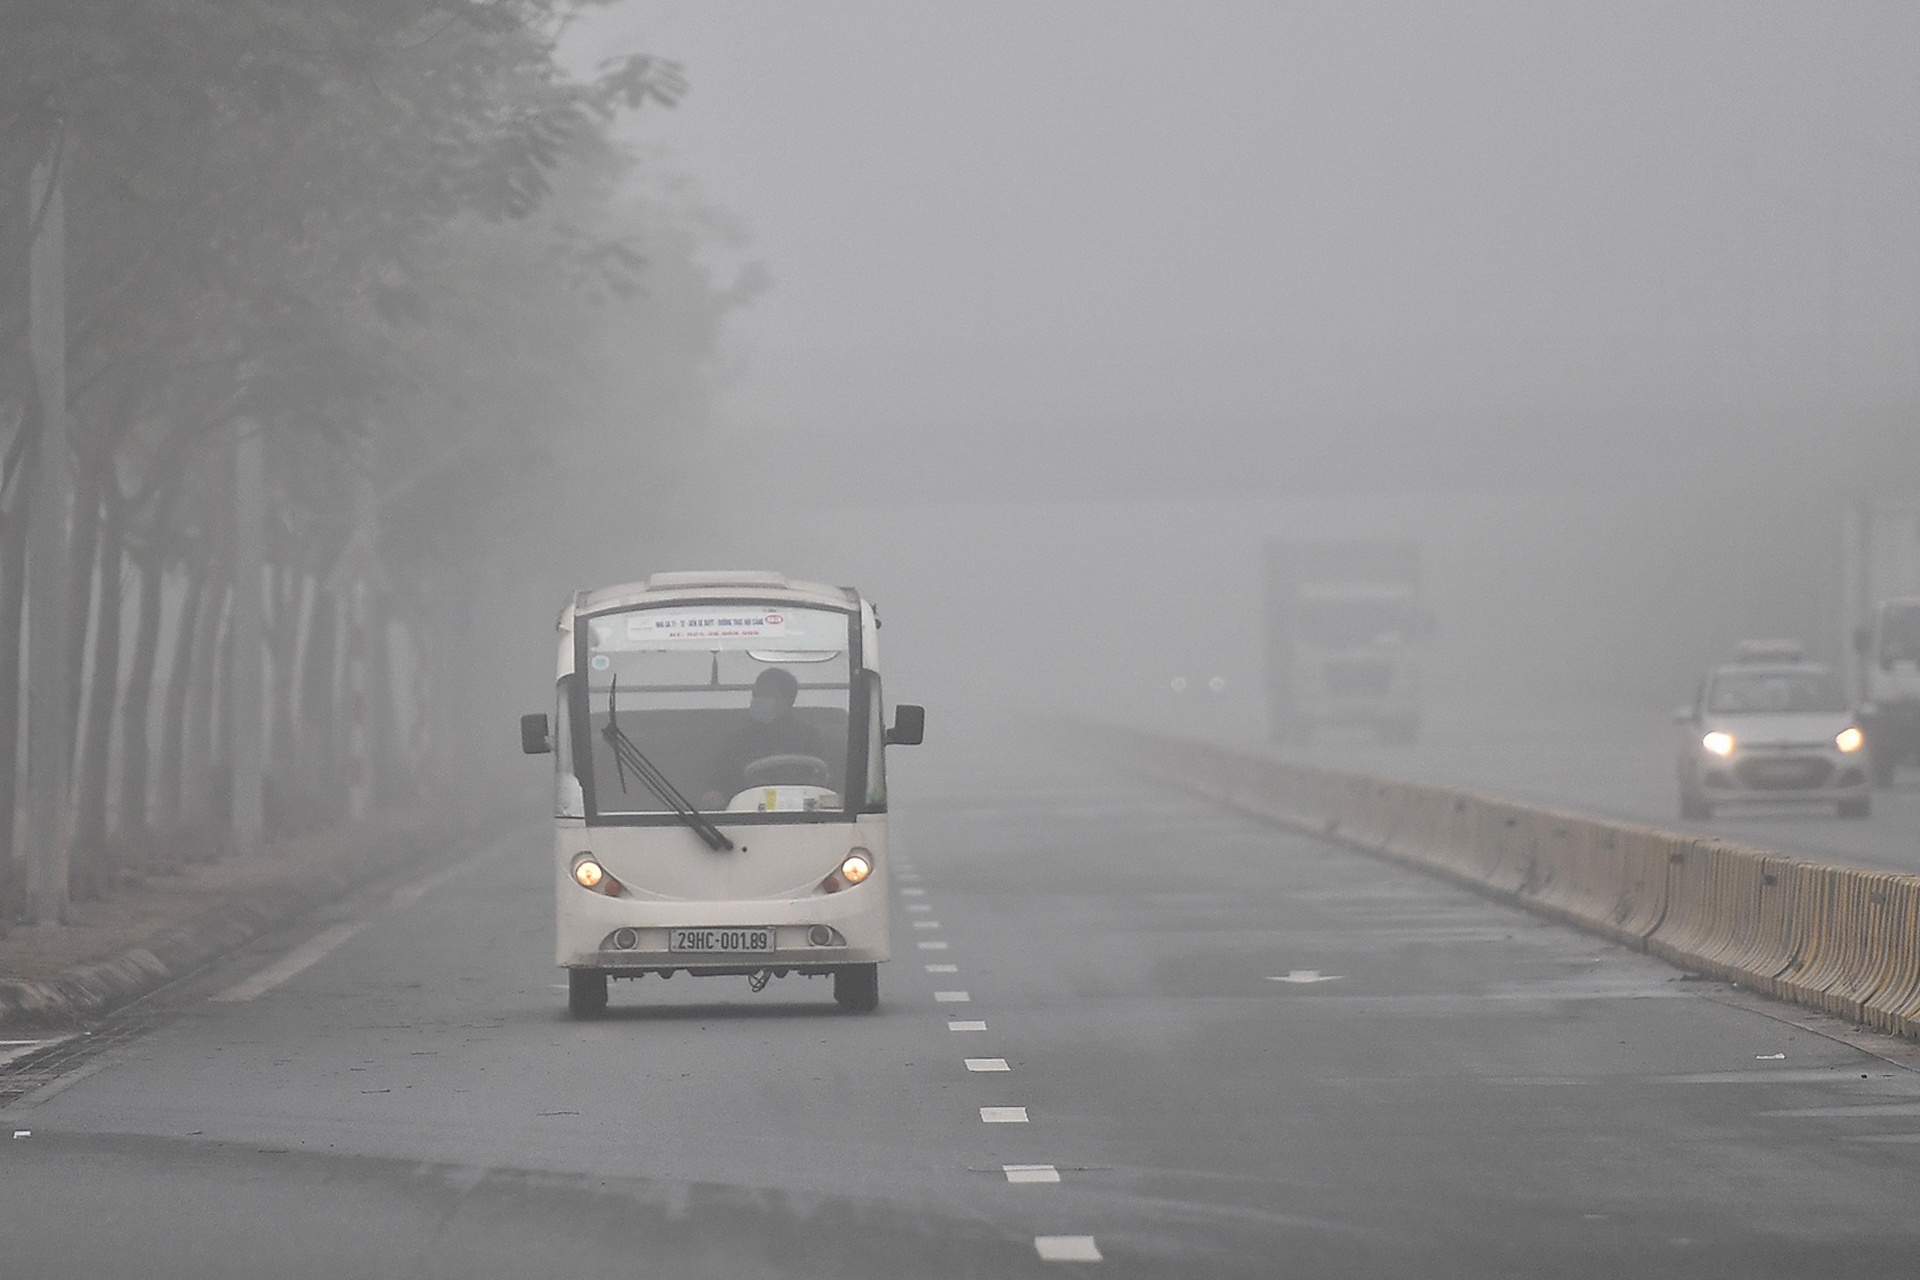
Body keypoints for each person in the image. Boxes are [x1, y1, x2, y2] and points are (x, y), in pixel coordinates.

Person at [705, 667, 832, 804]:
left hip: (801, 815)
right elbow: (716, 783)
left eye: (766, 695)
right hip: (747, 815)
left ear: (787, 701)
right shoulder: (737, 740)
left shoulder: (810, 737)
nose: (757, 700)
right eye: (755, 695)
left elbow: (824, 780)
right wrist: (716, 794)